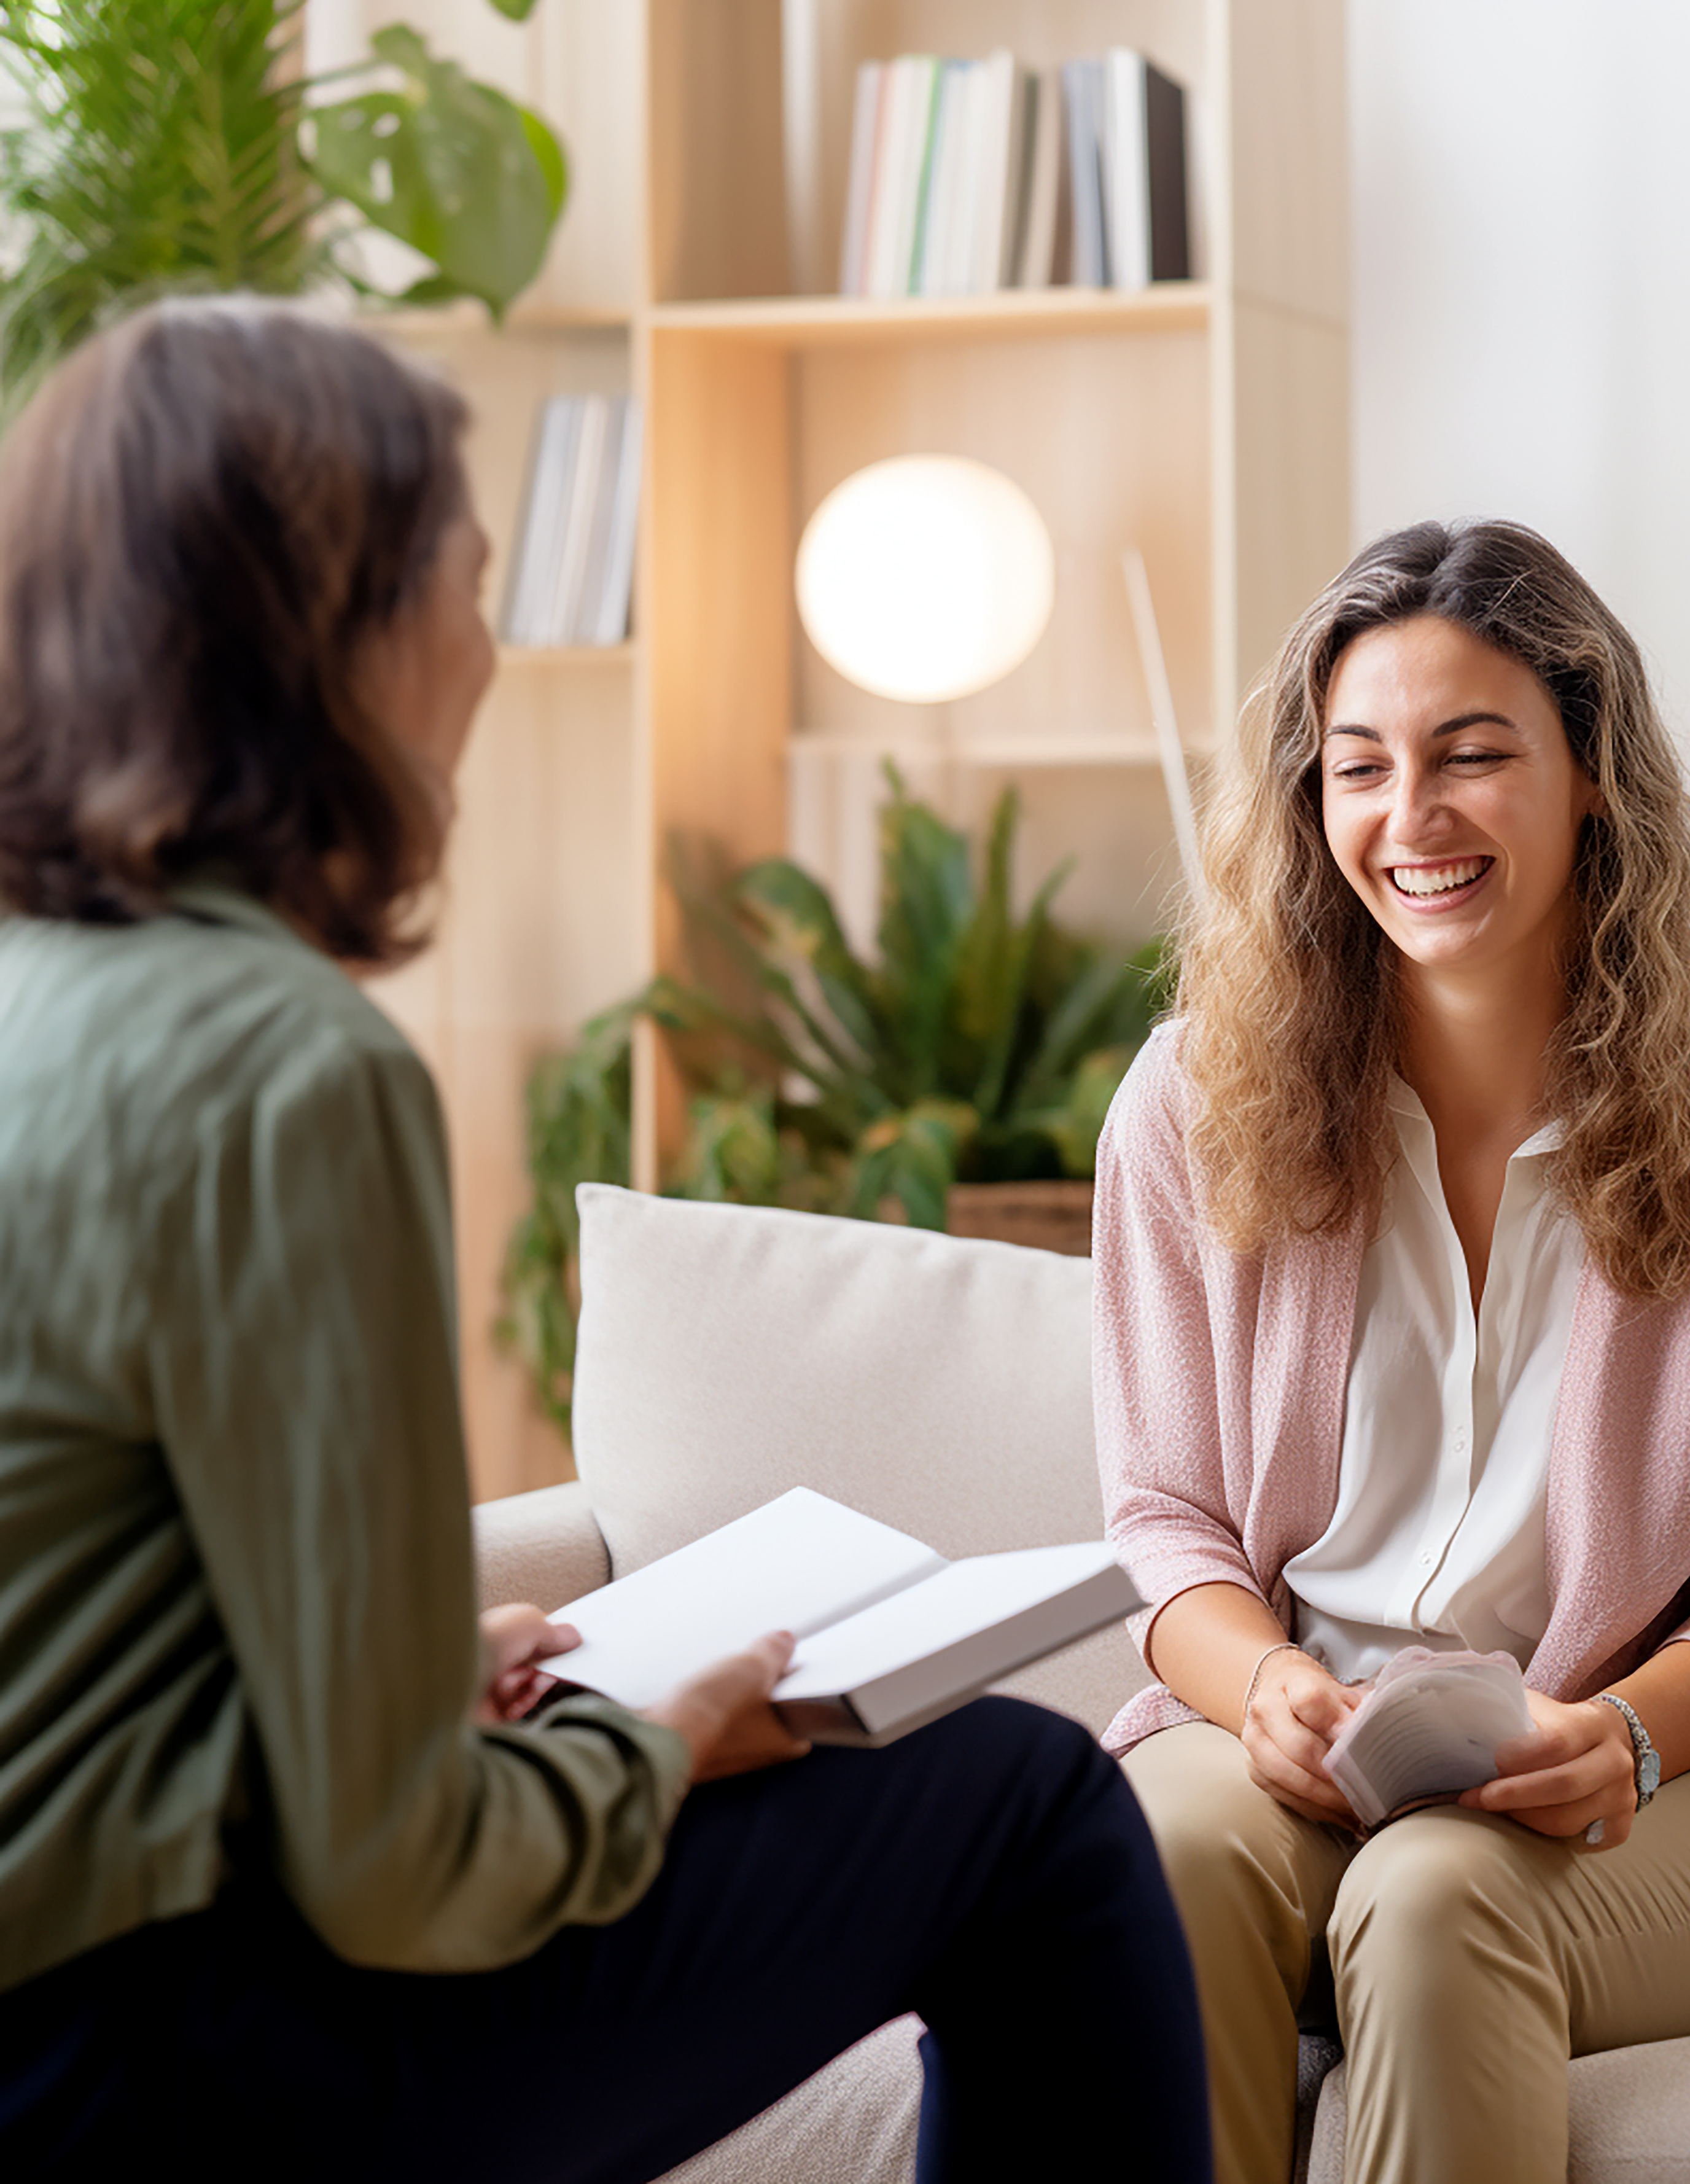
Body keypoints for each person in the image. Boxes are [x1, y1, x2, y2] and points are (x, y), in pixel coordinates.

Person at [0, 298, 1210, 2184]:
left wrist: (399, 1679)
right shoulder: (282, 1070)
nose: (486, 649)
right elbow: (401, 1865)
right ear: (339, 637)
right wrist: (652, 1745)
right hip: (154, 2070)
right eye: (469, 583)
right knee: (1025, 1805)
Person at [1093, 520, 1690, 2184]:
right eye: (1360, 767)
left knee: (1437, 1892)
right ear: (1312, 806)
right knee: (1148, 1856)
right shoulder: (1189, 1108)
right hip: (1292, 1757)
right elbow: (1162, 1519)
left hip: (1672, 1784)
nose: (1412, 817)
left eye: (1472, 755)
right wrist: (1270, 1693)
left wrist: (1632, 1731)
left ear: (1589, 773)